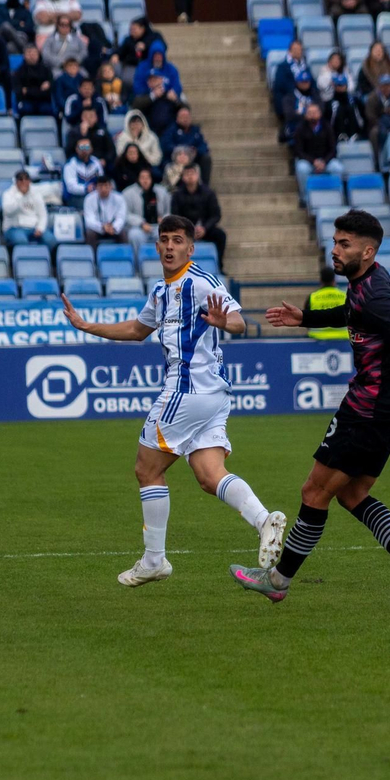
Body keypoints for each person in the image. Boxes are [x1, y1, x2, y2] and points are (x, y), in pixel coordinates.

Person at [58, 213, 286, 587]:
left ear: (190, 248)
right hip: (211, 396)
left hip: (187, 391)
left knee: (147, 469)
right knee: (209, 476)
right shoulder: (162, 291)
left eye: (177, 240)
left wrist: (223, 321)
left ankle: (154, 560)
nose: (169, 246)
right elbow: (136, 329)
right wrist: (87, 326)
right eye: (164, 239)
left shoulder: (199, 282)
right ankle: (264, 521)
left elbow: (238, 322)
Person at [234, 208, 390, 607]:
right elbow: (352, 312)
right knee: (352, 495)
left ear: (367, 251)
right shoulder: (369, 281)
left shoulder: (376, 295)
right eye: (334, 241)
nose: (334, 250)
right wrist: (305, 317)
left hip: (368, 410)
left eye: (343, 244)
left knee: (314, 492)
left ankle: (278, 580)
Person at [80, 172, 127, 247]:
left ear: (111, 186)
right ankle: (93, 257)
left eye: (106, 186)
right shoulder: (89, 199)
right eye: (100, 186)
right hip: (97, 228)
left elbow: (121, 217)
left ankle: (124, 257)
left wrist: (114, 227)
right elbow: (89, 220)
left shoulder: (119, 198)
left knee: (123, 232)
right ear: (96, 187)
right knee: (90, 233)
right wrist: (102, 227)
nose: (103, 189)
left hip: (113, 228)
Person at [2, 169, 48, 244]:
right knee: (21, 241)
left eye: (26, 179)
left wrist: (40, 228)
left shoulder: (36, 195)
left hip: (33, 227)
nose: (24, 182)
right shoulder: (8, 194)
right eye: (20, 179)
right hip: (14, 228)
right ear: (16, 182)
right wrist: (20, 195)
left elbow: (43, 215)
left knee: (50, 240)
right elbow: (8, 212)